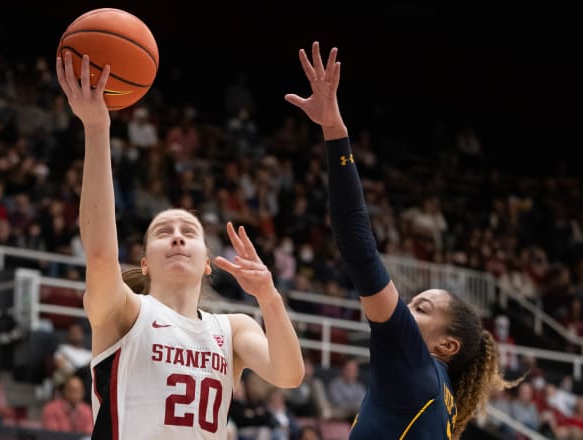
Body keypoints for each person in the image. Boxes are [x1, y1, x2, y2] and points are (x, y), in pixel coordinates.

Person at [55, 52, 304, 439]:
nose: (176, 236)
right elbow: (101, 253)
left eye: (189, 231)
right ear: (145, 262)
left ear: (208, 262)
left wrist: (269, 298)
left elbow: (288, 375)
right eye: (162, 231)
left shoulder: (232, 328)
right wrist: (97, 127)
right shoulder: (123, 312)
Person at [285, 41, 518, 439]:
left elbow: (356, 239)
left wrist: (335, 132)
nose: (404, 311)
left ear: (446, 345)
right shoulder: (436, 397)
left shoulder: (414, 362)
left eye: (421, 308)